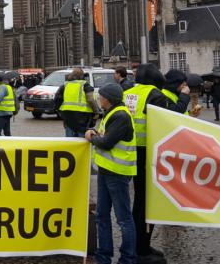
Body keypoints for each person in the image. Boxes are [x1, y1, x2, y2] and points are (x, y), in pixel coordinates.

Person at [85, 83, 137, 264]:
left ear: (107, 99)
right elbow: (105, 135)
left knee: (123, 219)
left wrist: (92, 137)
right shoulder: (112, 113)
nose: (99, 99)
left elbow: (106, 142)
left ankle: (128, 258)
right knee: (101, 215)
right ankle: (103, 255)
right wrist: (96, 133)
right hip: (106, 171)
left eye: (101, 97)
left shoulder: (121, 115)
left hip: (118, 173)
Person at [123, 63, 169, 263]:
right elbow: (163, 127)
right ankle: (142, 248)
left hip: (130, 152)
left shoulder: (128, 93)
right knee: (147, 202)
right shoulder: (156, 95)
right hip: (149, 153)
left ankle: (139, 244)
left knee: (139, 201)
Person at [55, 68, 98, 137]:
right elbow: (90, 100)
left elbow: (57, 99)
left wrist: (60, 112)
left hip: (68, 115)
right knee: (81, 140)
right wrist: (96, 112)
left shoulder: (65, 85)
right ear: (82, 76)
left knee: (70, 140)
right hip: (83, 116)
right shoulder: (85, 85)